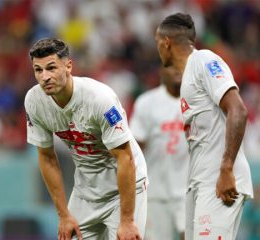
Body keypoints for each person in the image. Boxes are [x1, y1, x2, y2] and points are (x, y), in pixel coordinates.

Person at [24, 38, 147, 240]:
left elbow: (125, 157)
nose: (44, 77)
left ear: (69, 66)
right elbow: (46, 157)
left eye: (51, 68)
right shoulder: (34, 101)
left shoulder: (100, 99)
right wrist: (64, 215)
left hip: (123, 191)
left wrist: (127, 221)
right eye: (38, 70)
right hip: (86, 191)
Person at [155, 13, 253, 240]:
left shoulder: (204, 61)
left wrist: (226, 169)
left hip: (219, 180)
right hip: (200, 181)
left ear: (166, 42)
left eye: (157, 42)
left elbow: (238, 109)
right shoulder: (188, 76)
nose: (157, 48)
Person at [130, 66, 189, 240]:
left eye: (182, 65)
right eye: (171, 66)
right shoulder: (147, 102)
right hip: (156, 192)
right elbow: (134, 149)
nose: (178, 70)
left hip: (190, 191)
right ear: (162, 71)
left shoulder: (198, 101)